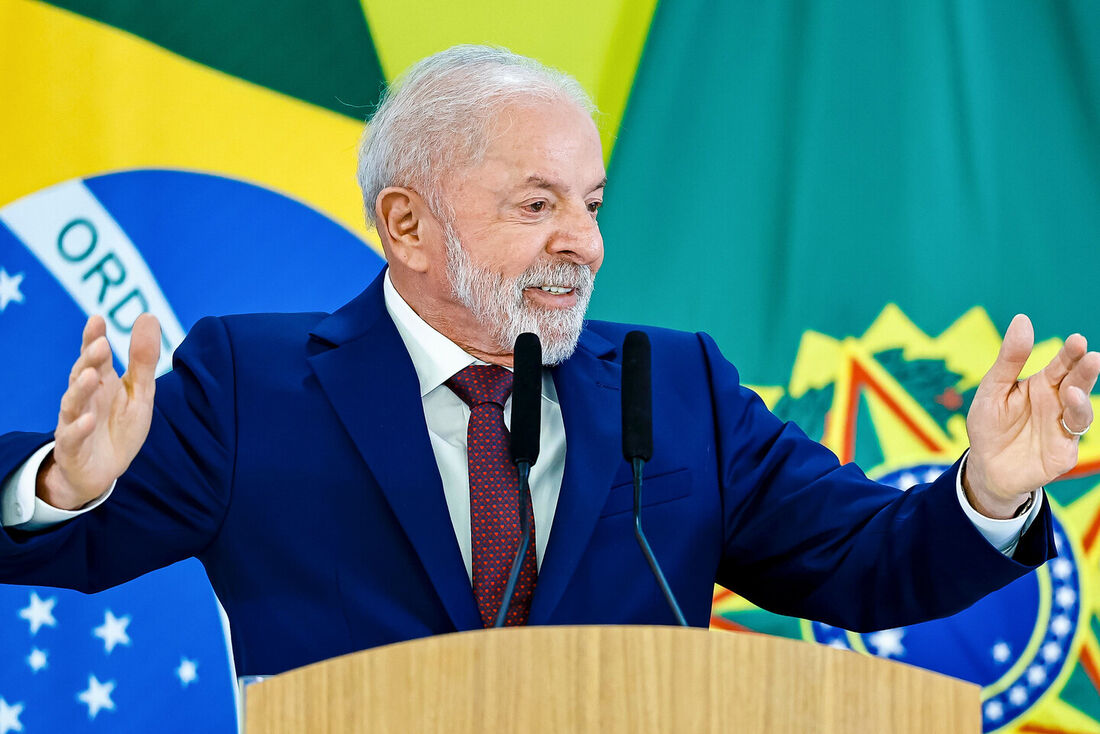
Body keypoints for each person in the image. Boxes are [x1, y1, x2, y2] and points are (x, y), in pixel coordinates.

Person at [1, 46, 1097, 677]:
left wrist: (991, 491)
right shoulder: (255, 382)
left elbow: (865, 564)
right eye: (536, 205)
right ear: (407, 225)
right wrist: (65, 484)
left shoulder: (674, 389)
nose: (585, 241)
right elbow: (64, 546)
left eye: (591, 202)